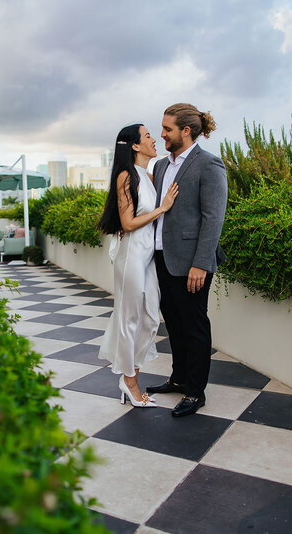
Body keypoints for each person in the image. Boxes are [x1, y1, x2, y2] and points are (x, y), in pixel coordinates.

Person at [146, 103, 227, 418]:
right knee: (174, 325)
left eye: (167, 129)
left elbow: (213, 218)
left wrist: (201, 263)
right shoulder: (162, 166)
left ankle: (195, 391)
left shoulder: (209, 165)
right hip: (162, 259)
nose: (162, 134)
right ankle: (178, 378)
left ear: (186, 131)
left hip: (192, 263)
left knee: (194, 326)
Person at [97, 124, 179, 408]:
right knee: (129, 318)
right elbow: (128, 223)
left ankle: (131, 377)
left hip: (148, 256)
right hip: (131, 253)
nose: (153, 139)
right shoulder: (125, 176)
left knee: (151, 318)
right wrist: (162, 208)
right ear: (134, 145)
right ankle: (129, 382)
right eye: (147, 136)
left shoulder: (150, 174)